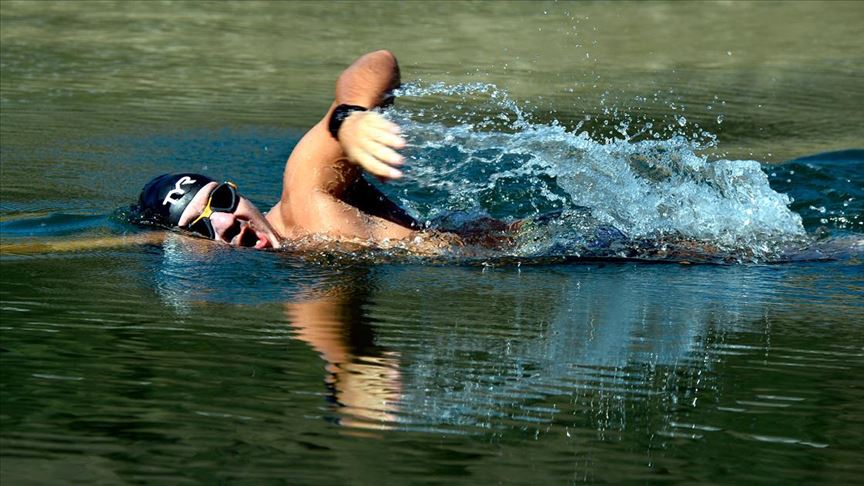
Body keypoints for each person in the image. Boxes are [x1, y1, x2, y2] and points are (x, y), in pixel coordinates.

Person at [135, 50, 503, 252]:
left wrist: (349, 117)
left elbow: (378, 62)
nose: (225, 221)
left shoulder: (307, 195)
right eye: (199, 226)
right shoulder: (295, 268)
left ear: (238, 192)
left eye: (222, 199)